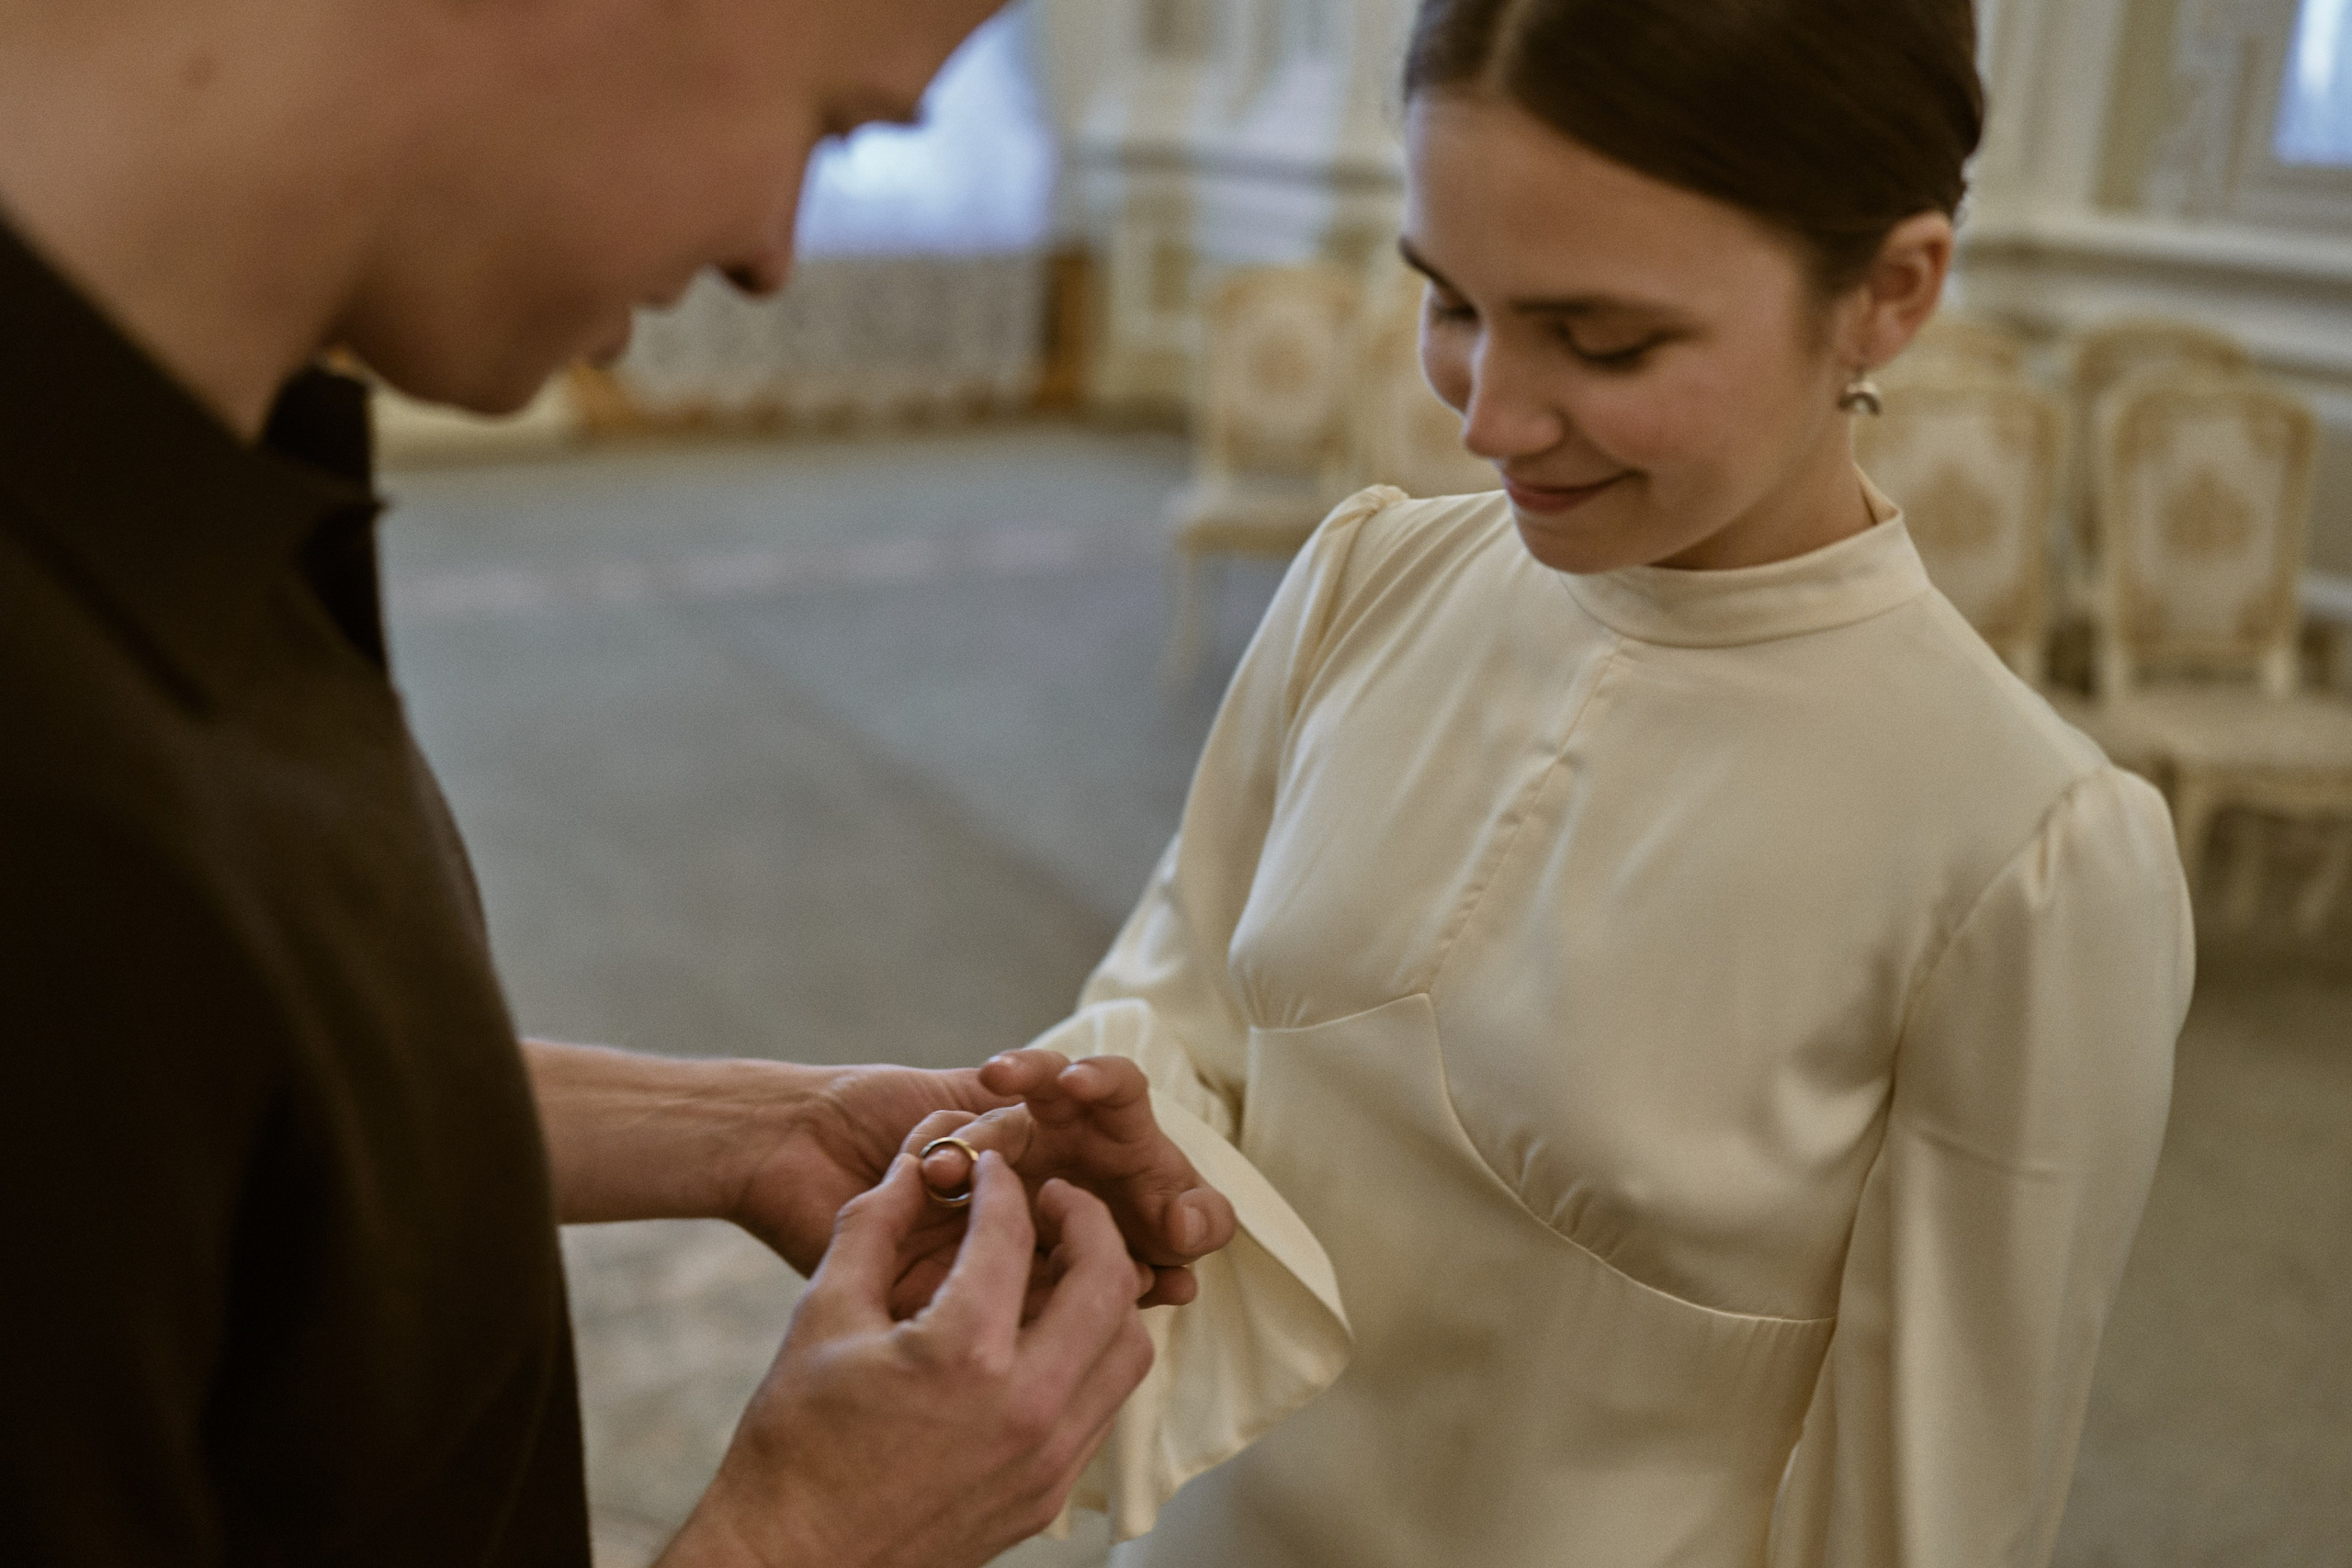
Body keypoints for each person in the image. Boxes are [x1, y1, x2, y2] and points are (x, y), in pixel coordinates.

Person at [914, 1, 2195, 1563]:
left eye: (1605, 341)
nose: (1488, 412)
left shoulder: (2027, 850)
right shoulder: (1366, 580)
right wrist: (1101, 1114)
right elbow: (1172, 1004)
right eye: (1450, 301)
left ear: (1888, 293)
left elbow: (1923, 1523)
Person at [0, 3, 1238, 1566]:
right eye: (831, 122)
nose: (773, 251)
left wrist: (746, 1128)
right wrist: (798, 1538)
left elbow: (190, 1093)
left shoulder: (158, 478)